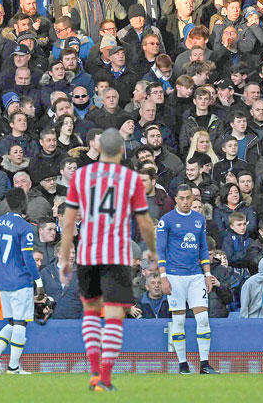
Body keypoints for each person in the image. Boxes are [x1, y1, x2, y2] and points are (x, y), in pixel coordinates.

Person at [58, 128, 156, 392]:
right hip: (117, 254)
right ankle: (106, 377)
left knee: (90, 312)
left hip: (88, 253)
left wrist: (65, 257)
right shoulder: (131, 179)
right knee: (113, 317)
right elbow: (144, 222)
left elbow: (68, 221)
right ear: (122, 150)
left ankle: (93, 371)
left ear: (99, 149)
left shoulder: (81, 176)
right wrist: (153, 251)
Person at [155, 183, 218, 375]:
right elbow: (161, 250)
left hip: (196, 276)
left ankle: (204, 364)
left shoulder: (199, 219)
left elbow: (203, 249)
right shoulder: (167, 220)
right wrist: (164, 277)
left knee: (203, 319)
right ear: (176, 199)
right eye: (181, 198)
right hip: (175, 276)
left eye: (188, 198)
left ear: (193, 198)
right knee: (179, 321)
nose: (185, 201)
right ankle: (183, 364)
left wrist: (207, 274)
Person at [0, 187, 44, 375]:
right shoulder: (25, 227)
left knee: (10, 322)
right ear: (24, 203)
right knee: (20, 323)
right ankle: (13, 367)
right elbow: (28, 258)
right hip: (20, 280)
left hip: (3, 279)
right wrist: (39, 281)